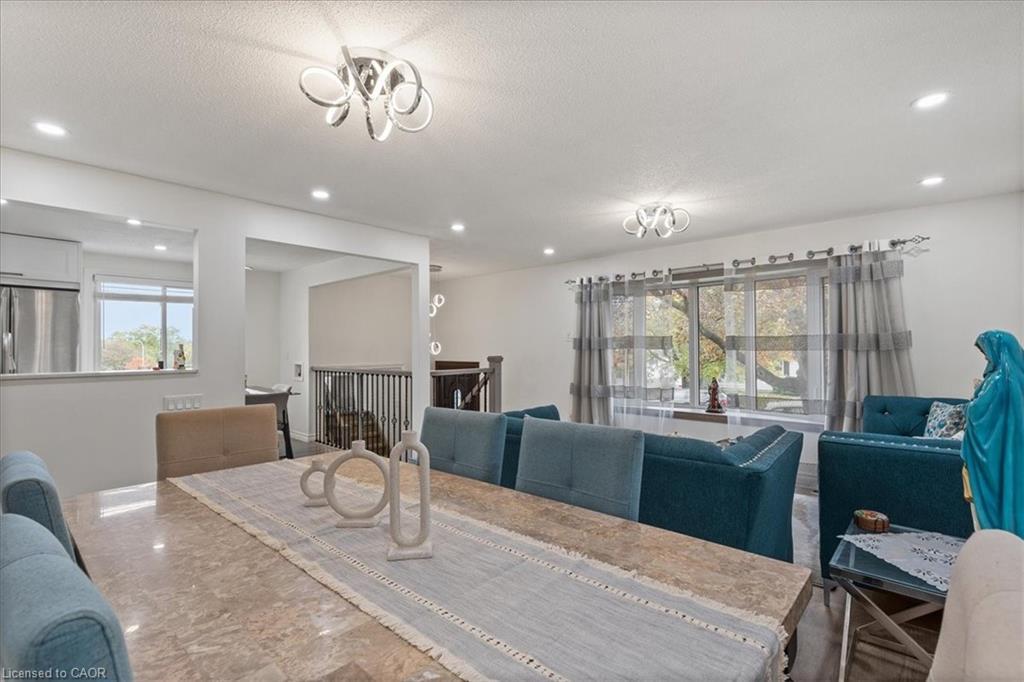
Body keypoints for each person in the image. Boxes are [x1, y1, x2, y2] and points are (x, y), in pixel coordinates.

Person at [961, 330, 1024, 538]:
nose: (987, 358)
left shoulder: (998, 380)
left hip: (992, 458)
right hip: (1011, 451)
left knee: (992, 500)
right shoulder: (1016, 378)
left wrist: (971, 403)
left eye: (987, 354)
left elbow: (977, 413)